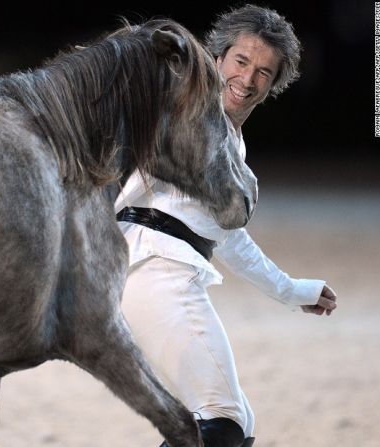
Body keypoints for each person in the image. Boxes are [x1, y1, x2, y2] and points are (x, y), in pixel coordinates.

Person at [114, 5, 338, 447]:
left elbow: (228, 237)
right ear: (217, 58)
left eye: (263, 72)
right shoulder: (184, 112)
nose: (248, 78)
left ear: (273, 85)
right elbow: (119, 185)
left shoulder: (231, 145)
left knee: (234, 425)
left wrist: (292, 290)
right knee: (223, 419)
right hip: (153, 271)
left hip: (172, 272)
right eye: (241, 61)